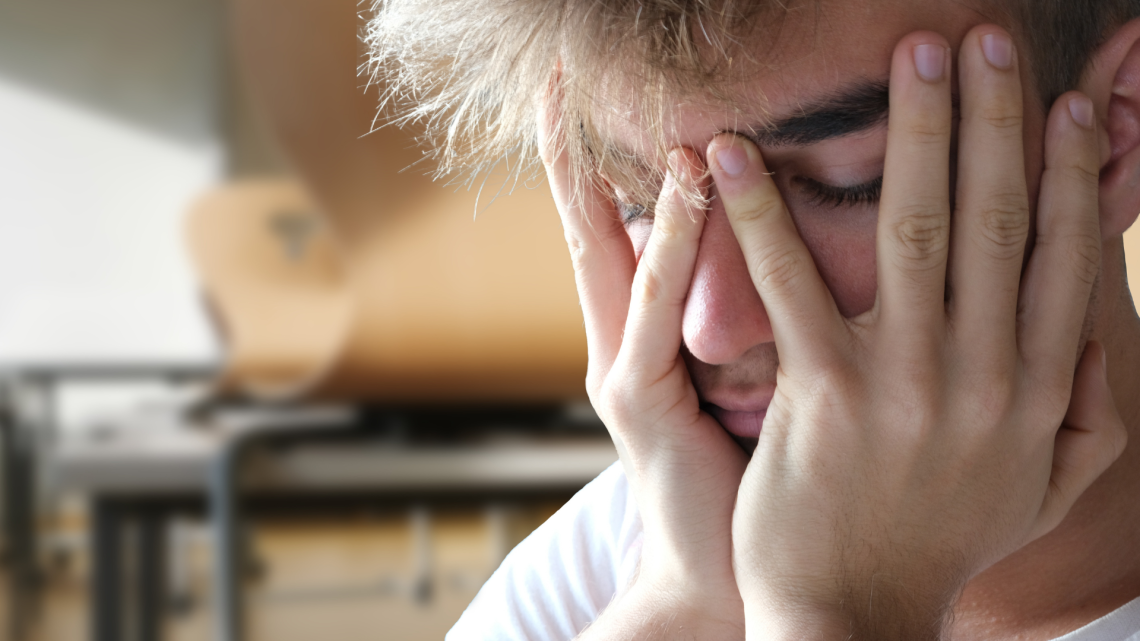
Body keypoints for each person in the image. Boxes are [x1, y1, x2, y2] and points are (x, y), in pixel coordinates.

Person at [367, 1, 1140, 638]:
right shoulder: (619, 563)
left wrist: (837, 605)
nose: (712, 326)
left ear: (1117, 133)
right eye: (643, 198)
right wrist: (686, 604)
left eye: (850, 184)